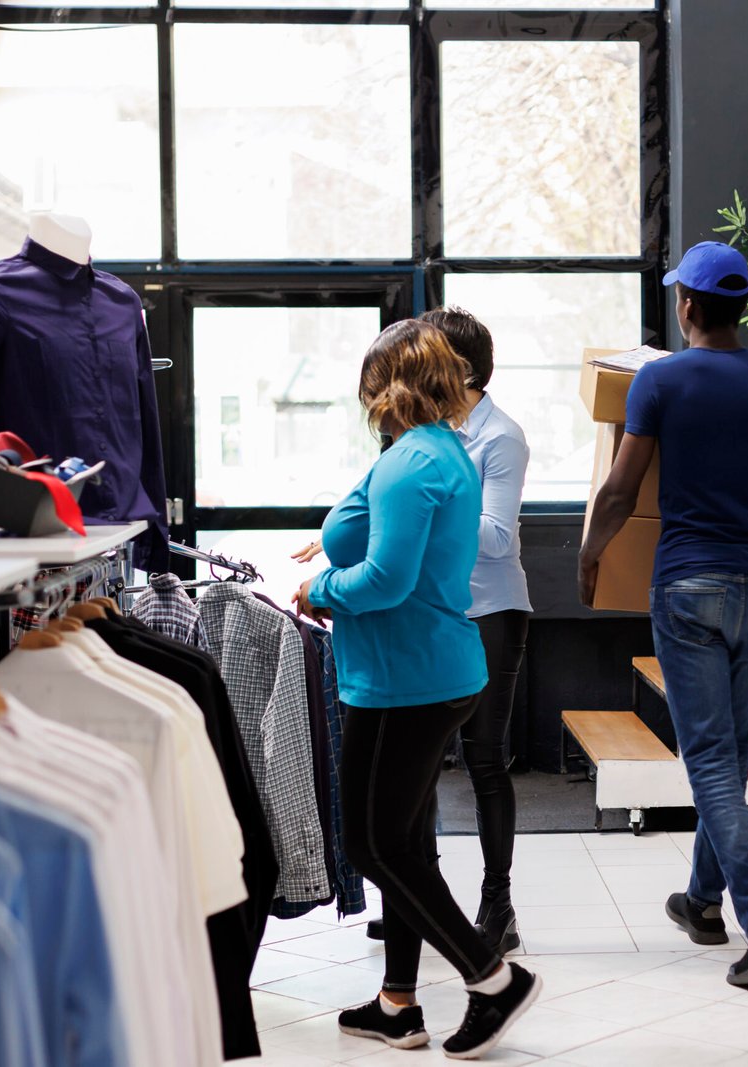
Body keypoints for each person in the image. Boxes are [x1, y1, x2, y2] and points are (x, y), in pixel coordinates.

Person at [292, 319, 541, 1059]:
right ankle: (398, 1005)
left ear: (387, 386)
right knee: (402, 841)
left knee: (373, 844)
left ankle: (492, 977)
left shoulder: (410, 464)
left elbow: (385, 579)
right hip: (429, 667)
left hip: (403, 678)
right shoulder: (446, 454)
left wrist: (320, 587)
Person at [578, 241, 748, 988]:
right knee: (730, 751)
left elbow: (619, 490)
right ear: (740, 307)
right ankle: (703, 902)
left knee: (708, 759)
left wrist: (588, 555)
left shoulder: (661, 380)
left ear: (687, 306)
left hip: (685, 586)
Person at [421, 306, 532, 955]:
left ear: (458, 368)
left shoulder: (502, 437)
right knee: (419, 763)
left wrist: (426, 503)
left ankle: (498, 903)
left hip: (491, 610)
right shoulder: (430, 429)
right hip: (433, 611)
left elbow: (494, 538)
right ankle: (421, 896)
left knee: (484, 758)